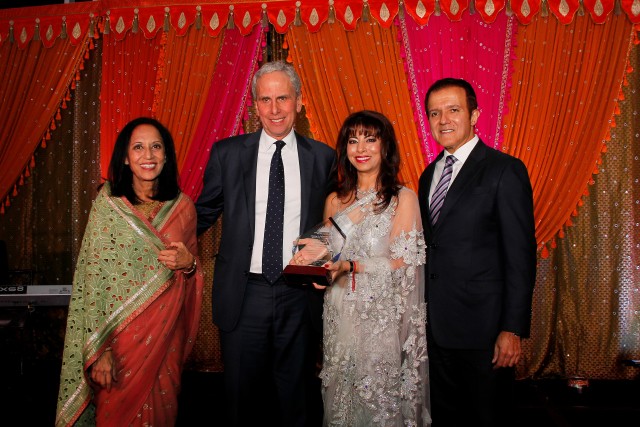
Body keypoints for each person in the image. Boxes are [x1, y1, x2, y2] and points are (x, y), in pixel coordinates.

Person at [195, 61, 335, 426]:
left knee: (298, 399)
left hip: (299, 292)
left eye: (283, 99)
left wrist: (328, 250)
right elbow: (203, 212)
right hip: (244, 294)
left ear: (299, 102)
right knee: (242, 401)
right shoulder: (227, 154)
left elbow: (336, 220)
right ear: (255, 106)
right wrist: (157, 233)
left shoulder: (323, 157)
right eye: (265, 99)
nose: (274, 109)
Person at [56, 117, 204, 426]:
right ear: (125, 156)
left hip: (165, 342)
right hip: (117, 346)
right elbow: (92, 280)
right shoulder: (108, 207)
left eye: (155, 147)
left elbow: (192, 274)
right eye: (138, 147)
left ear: (166, 155)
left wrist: (188, 263)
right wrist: (99, 350)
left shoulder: (184, 208)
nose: (148, 156)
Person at [294, 110, 430, 426]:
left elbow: (404, 263)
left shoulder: (402, 199)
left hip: (380, 320)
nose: (361, 148)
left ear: (385, 147)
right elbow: (327, 256)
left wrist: (351, 266)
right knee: (340, 396)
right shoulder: (335, 201)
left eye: (370, 139)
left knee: (379, 401)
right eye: (353, 140)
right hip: (340, 314)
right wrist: (315, 268)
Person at [417, 78, 536, 427]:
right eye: (435, 113)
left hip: (485, 333)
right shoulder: (429, 175)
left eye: (453, 110)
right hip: (436, 329)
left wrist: (512, 328)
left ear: (474, 115)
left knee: (487, 418)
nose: (444, 121)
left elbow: (520, 256)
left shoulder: (505, 170)